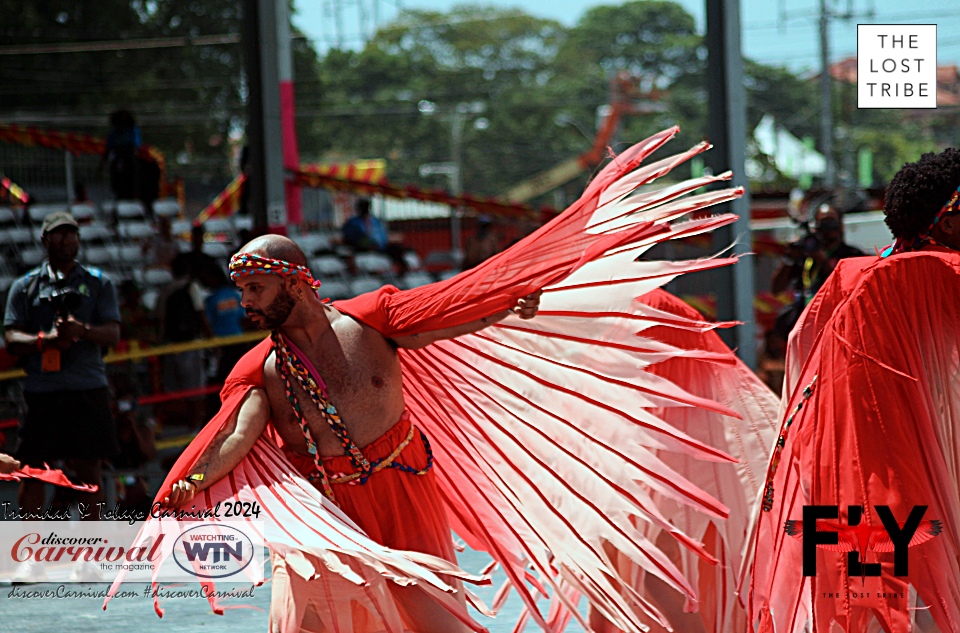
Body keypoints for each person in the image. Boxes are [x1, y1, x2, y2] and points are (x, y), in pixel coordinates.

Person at [106, 128, 757, 633]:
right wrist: (190, 479)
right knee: (307, 622)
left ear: (297, 280)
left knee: (435, 622)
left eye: (256, 285)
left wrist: (507, 303)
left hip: (403, 488)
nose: (246, 301)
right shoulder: (262, 367)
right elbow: (239, 433)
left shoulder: (373, 321)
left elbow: (448, 312)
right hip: (329, 512)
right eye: (242, 289)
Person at [747, 148, 960, 632]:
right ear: (946, 224)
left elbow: (800, 346)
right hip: (901, 492)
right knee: (910, 616)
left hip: (834, 485)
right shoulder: (939, 273)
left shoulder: (850, 276)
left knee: (858, 614)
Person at [3, 211, 121, 517]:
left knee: (88, 472)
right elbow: (11, 337)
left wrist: (82, 331)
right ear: (44, 239)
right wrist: (46, 340)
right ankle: (30, 551)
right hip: (41, 391)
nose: (66, 239)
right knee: (33, 471)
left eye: (72, 233)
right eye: (58, 233)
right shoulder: (25, 285)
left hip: (87, 388)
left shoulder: (99, 282)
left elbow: (113, 333)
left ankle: (90, 555)